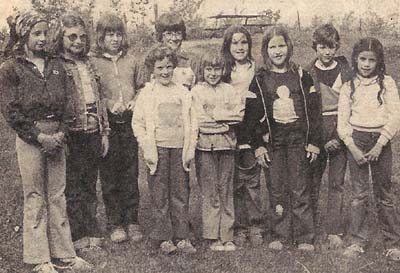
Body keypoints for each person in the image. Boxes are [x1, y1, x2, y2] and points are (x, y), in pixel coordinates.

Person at [0, 11, 92, 273]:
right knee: (35, 195)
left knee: (57, 194)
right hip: (31, 137)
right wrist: (39, 137)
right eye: (36, 34)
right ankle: (39, 258)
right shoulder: (11, 69)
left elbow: (69, 103)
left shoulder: (56, 66)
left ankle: (64, 254)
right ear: (23, 36)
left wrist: (61, 133)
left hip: (57, 136)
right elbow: (11, 111)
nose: (42, 39)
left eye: (45, 33)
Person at [240, 26, 322, 251]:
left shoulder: (301, 75)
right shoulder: (259, 79)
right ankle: (280, 234)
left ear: (289, 47)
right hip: (273, 143)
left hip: (298, 141)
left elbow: (314, 112)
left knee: (299, 187)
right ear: (266, 50)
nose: (278, 51)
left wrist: (314, 142)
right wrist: (258, 146)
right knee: (276, 188)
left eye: (281, 45)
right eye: (272, 47)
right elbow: (251, 116)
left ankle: (304, 236)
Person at [337, 37, 400, 261]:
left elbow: (395, 116)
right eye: (362, 59)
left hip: (380, 141)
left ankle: (392, 243)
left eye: (371, 60)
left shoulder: (387, 83)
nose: (366, 64)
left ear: (378, 61)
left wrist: (380, 144)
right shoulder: (349, 85)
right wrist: (352, 147)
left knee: (384, 193)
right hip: (357, 141)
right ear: (355, 59)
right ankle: (357, 241)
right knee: (359, 194)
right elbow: (342, 122)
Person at [51, 14, 110, 251]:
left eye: (82, 37)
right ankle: (77, 234)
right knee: (73, 184)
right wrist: (61, 134)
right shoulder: (57, 66)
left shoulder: (89, 63)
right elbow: (57, 104)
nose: (78, 41)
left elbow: (99, 99)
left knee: (89, 182)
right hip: (72, 132)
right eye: (72, 37)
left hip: (93, 131)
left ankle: (92, 227)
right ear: (61, 37)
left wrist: (105, 131)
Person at [132, 45, 198, 254]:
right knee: (159, 194)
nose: (165, 72)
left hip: (179, 149)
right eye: (160, 67)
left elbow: (193, 121)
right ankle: (163, 236)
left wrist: (190, 147)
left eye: (169, 67)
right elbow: (139, 123)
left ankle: (182, 236)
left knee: (180, 192)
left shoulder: (182, 92)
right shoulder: (147, 93)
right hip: (158, 150)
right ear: (152, 69)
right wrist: (146, 146)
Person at [91, 13, 144, 244]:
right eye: (109, 34)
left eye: (118, 34)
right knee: (110, 175)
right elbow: (94, 93)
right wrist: (108, 104)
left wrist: (136, 100)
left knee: (130, 173)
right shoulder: (93, 62)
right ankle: (115, 223)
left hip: (130, 123)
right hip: (107, 126)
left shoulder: (132, 60)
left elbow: (143, 87)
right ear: (100, 37)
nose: (114, 39)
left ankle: (132, 221)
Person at [305, 23, 352, 247]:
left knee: (337, 183)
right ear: (315, 47)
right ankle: (310, 227)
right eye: (322, 47)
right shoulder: (307, 72)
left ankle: (334, 230)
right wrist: (319, 139)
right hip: (316, 134)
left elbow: (351, 106)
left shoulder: (346, 70)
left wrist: (338, 137)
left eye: (331, 47)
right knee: (312, 181)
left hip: (340, 132)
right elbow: (306, 110)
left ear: (337, 47)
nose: (327, 52)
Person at [192, 50, 243, 251]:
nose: (213, 73)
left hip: (227, 146)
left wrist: (216, 116)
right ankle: (212, 235)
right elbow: (199, 120)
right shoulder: (196, 91)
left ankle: (227, 234)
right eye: (209, 69)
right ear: (202, 70)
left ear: (223, 70)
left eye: (217, 69)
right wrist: (223, 122)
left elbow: (238, 116)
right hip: (205, 147)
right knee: (210, 191)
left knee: (226, 189)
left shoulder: (229, 90)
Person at [221, 24, 264, 246]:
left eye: (244, 42)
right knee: (233, 182)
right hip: (229, 129)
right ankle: (239, 226)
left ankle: (256, 224)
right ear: (228, 46)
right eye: (234, 43)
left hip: (251, 129)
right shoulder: (224, 70)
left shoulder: (256, 69)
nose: (239, 47)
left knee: (252, 180)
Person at [151, 12, 196, 89]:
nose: (174, 38)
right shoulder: (152, 60)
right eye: (169, 34)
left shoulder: (191, 61)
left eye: (178, 33)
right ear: (161, 36)